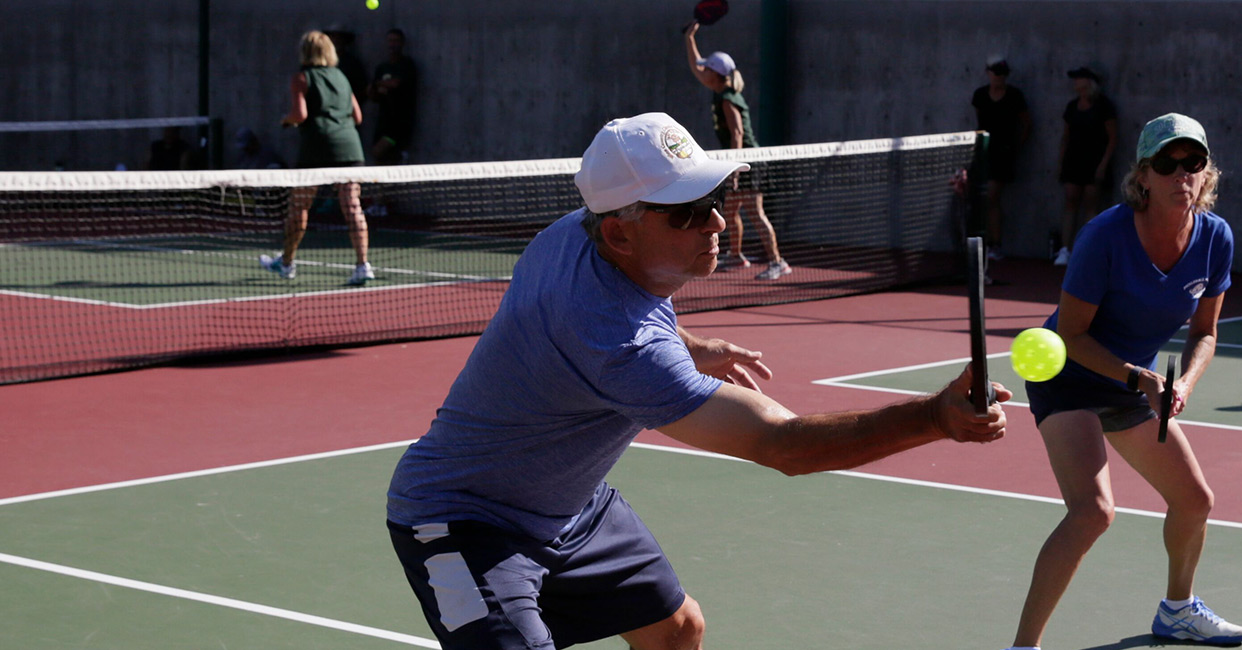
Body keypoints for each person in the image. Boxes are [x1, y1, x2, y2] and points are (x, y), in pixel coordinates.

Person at [384, 112, 1011, 650]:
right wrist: (933, 417)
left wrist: (693, 344)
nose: (714, 223)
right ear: (620, 232)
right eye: (687, 212)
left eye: (712, 200)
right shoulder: (621, 348)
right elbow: (784, 445)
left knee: (677, 630)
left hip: (569, 505)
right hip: (461, 518)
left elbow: (634, 306)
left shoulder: (571, 236)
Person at [1006, 113, 1242, 650]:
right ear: (1143, 175)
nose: (1181, 173)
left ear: (1207, 174)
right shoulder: (1105, 236)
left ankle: (1178, 611)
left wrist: (1183, 381)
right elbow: (1071, 333)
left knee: (1194, 500)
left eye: (1193, 163)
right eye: (1166, 163)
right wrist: (1138, 379)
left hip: (1135, 385)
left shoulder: (1215, 238)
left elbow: (1205, 332)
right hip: (1070, 376)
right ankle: (1023, 646)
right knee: (1093, 512)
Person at [260, 30, 372, 286]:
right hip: (350, 149)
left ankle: (287, 263)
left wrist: (286, 120)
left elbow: (299, 115)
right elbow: (357, 117)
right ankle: (362, 264)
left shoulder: (301, 78)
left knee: (299, 207)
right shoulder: (342, 77)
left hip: (317, 149)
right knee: (352, 206)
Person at [683, 22, 789, 281]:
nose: (702, 70)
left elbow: (737, 133)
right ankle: (736, 254)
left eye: (707, 68)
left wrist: (734, 170)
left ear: (716, 74)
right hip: (739, 160)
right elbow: (696, 66)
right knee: (730, 211)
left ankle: (778, 261)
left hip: (747, 161)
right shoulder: (719, 88)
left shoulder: (728, 98)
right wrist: (690, 38)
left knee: (755, 212)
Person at [1053, 67, 1117, 266]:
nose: (1075, 82)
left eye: (1079, 79)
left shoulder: (1104, 106)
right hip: (1073, 160)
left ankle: (1089, 250)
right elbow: (1065, 136)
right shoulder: (1072, 106)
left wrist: (1103, 165)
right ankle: (1065, 250)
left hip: (1094, 161)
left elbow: (1113, 138)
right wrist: (1061, 162)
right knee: (1070, 201)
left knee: (1091, 204)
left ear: (1089, 82)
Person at [971, 57, 1030, 258]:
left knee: (992, 196)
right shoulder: (980, 95)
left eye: (1003, 72)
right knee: (982, 198)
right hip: (983, 152)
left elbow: (1026, 123)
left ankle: (995, 244)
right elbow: (979, 121)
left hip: (1003, 154)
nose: (999, 76)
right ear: (988, 72)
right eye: (995, 72)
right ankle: (982, 244)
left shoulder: (1014, 96)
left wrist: (1015, 147)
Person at [369, 28, 419, 165]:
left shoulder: (407, 64)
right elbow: (374, 95)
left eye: (396, 41)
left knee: (378, 151)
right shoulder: (382, 67)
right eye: (390, 41)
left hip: (399, 124)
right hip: (383, 122)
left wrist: (378, 83)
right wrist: (374, 89)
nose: (392, 44)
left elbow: (395, 83)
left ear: (402, 43)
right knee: (380, 159)